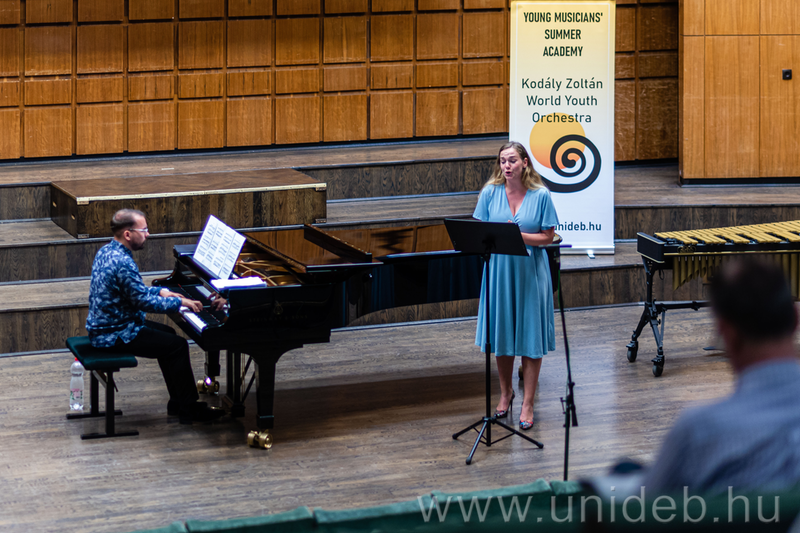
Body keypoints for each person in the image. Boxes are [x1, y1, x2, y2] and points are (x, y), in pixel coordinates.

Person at [591, 258, 800, 497]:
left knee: (623, 470)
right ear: (796, 318)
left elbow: (644, 506)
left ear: (725, 333)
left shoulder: (699, 432)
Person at [86, 209, 225, 424]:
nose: (148, 234)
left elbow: (132, 291)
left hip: (107, 326)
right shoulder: (122, 262)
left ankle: (177, 402)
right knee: (177, 346)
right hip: (115, 334)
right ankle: (189, 409)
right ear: (128, 234)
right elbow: (143, 302)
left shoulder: (107, 250)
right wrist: (179, 302)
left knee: (169, 335)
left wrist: (161, 291)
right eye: (144, 230)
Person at [473, 141, 559, 430]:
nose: (506, 166)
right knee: (502, 334)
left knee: (531, 338)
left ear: (525, 162)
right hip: (499, 272)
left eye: (511, 160)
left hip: (530, 273)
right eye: (502, 161)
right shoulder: (490, 192)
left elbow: (548, 237)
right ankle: (506, 393)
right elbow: (479, 232)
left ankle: (528, 403)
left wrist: (517, 235)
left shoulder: (541, 195)